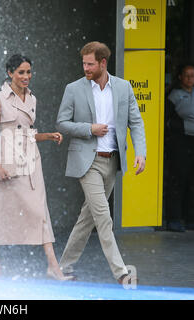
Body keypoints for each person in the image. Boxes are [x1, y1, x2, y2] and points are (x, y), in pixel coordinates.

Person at [56, 41, 146, 284]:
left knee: (89, 217)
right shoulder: (73, 89)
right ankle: (122, 273)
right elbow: (62, 123)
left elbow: (135, 122)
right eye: (83, 63)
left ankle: (62, 266)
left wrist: (141, 152)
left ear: (103, 63)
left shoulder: (124, 88)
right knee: (104, 217)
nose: (85, 67)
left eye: (90, 64)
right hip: (88, 162)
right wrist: (89, 129)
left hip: (112, 161)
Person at [0, 54, 74, 281]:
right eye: (21, 72)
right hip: (7, 161)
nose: (26, 76)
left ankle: (53, 266)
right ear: (10, 73)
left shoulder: (32, 98)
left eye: (29, 72)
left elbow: (27, 133)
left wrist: (48, 136)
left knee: (40, 210)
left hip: (31, 161)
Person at [165, 63, 194, 232]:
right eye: (187, 75)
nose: (190, 78)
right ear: (180, 77)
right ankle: (174, 219)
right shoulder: (174, 96)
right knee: (178, 180)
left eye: (193, 75)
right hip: (182, 143)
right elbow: (167, 120)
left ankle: (192, 219)